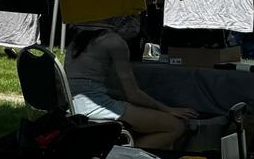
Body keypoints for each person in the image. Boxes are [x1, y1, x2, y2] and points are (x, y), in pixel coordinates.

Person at [67, 22, 198, 150]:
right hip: (96, 106)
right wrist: (168, 109)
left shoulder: (77, 40)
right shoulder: (114, 42)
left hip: (72, 104)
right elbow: (133, 95)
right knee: (176, 126)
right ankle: (124, 157)